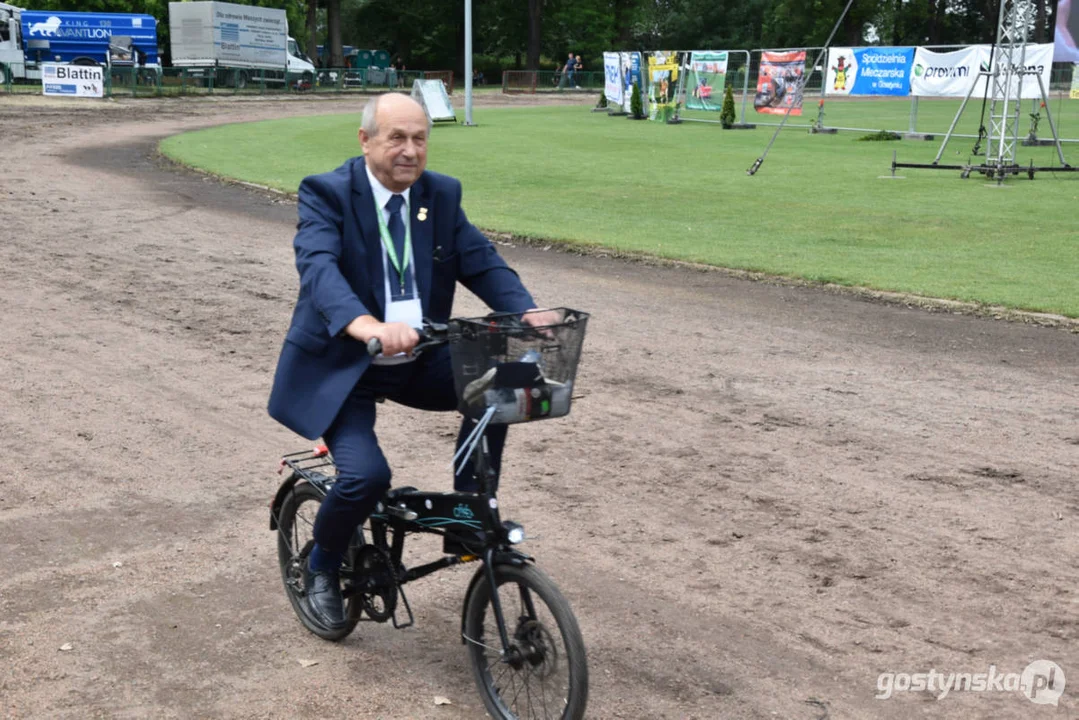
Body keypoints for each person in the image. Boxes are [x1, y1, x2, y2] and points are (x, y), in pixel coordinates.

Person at [267, 94, 558, 631]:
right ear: (365, 140)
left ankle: (469, 512)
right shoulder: (327, 193)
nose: (409, 150)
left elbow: (480, 259)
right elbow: (319, 270)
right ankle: (322, 565)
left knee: (499, 383)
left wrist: (527, 310)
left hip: (416, 357)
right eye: (396, 138)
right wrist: (369, 327)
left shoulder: (439, 195)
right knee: (366, 478)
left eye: (419, 138)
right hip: (345, 365)